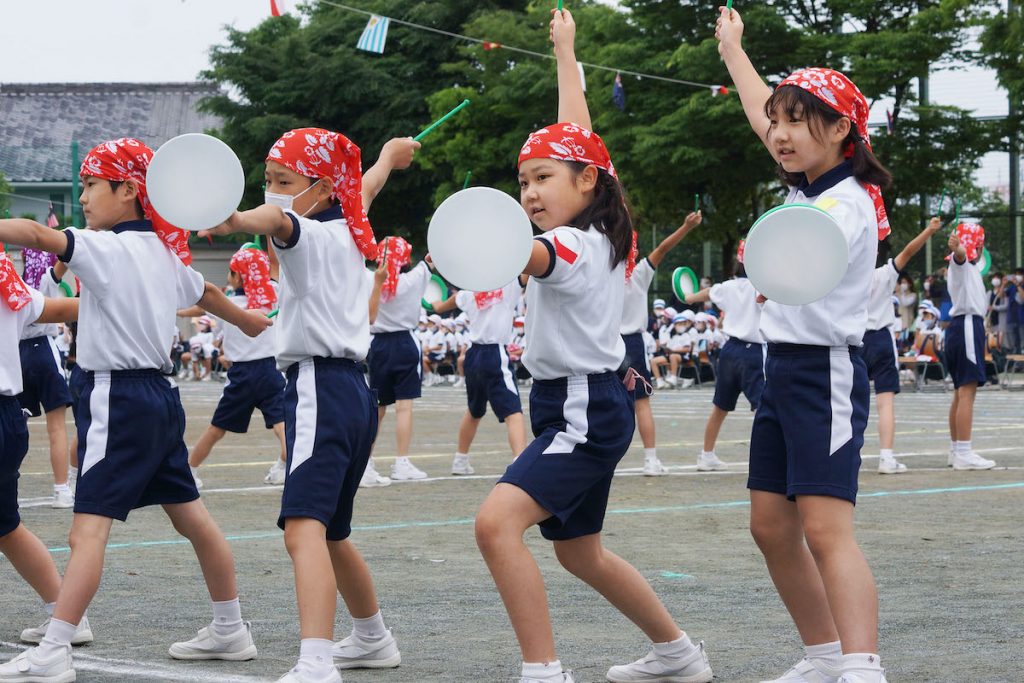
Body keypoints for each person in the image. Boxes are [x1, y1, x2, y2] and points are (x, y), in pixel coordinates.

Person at [475, 10, 714, 683]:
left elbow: (535, 252)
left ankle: (543, 670)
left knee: (496, 524)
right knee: (580, 552)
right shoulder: (603, 229)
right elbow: (578, 138)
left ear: (585, 182)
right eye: (523, 181)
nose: (529, 192)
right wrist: (566, 53)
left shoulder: (572, 243)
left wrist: (486, 239)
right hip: (573, 401)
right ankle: (679, 653)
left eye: (542, 178)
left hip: (583, 406)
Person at [0, 138, 270, 682]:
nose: (83, 197)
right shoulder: (165, 253)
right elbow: (206, 292)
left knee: (87, 531)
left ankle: (54, 649)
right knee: (193, 519)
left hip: (115, 398)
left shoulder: (106, 249)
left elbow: (34, 234)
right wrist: (247, 321)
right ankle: (229, 626)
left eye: (91, 185)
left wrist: (244, 321)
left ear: (128, 190)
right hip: (159, 399)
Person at [202, 130, 418, 683]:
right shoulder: (348, 225)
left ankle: (317, 662)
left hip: (320, 388)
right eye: (268, 180)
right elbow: (363, 187)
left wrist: (236, 219)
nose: (273, 190)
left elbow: (278, 221)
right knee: (332, 533)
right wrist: (387, 159)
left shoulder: (309, 235)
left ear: (321, 188)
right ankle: (371, 637)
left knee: (303, 530)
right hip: (352, 392)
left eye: (283, 181)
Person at [719, 8, 893, 682]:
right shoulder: (809, 191)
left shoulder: (846, 201)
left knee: (826, 529)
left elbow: (797, 268)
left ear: (841, 129)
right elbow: (756, 113)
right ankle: (823, 656)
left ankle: (862, 663)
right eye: (778, 122)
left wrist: (774, 275)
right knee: (769, 525)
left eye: (796, 121)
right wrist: (733, 50)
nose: (780, 134)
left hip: (825, 374)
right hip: (780, 371)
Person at [0, 250, 95, 655]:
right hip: (8, 416)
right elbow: (63, 307)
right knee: (7, 528)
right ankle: (65, 615)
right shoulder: (8, 283)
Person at [180, 245, 287, 489]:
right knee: (282, 424)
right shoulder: (274, 295)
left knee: (216, 429)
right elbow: (275, 266)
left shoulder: (228, 303)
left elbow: (205, 312)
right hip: (270, 370)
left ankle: (189, 471)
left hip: (241, 375)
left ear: (237, 276)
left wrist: (179, 311)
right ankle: (286, 467)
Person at [619, 211, 703, 475]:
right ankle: (650, 460)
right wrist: (686, 226)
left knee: (603, 404)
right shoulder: (639, 272)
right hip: (631, 344)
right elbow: (663, 248)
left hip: (604, 343)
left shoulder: (600, 274)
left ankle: (596, 463)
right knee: (641, 402)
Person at [863, 217, 941, 474]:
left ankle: (843, 459)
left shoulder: (842, 278)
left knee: (848, 404)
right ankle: (886, 458)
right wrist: (929, 230)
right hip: (881, 340)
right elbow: (908, 251)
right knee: (885, 402)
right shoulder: (884, 274)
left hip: (853, 342)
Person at [432, 276, 529, 474]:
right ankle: (521, 465)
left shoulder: (469, 292)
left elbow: (444, 305)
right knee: (513, 412)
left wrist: (435, 302)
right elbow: (526, 271)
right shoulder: (508, 285)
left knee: (474, 410)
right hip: (495, 353)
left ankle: (460, 460)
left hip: (473, 354)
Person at [685, 241, 764, 472]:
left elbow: (708, 292)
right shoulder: (763, 286)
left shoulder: (728, 286)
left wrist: (689, 297)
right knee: (762, 409)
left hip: (729, 351)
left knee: (720, 407)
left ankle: (706, 455)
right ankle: (764, 461)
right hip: (753, 353)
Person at [366, 235, 432, 484]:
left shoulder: (370, 280)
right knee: (404, 406)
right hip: (405, 344)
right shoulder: (415, 278)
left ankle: (366, 463)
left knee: (378, 408)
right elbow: (433, 260)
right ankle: (401, 463)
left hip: (378, 346)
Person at [17, 259, 75, 508]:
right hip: (44, 351)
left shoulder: (12, 283)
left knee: (15, 425)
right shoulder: (44, 280)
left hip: (17, 355)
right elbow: (65, 259)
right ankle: (62, 490)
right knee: (56, 427)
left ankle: (7, 486)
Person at [944, 223, 997, 471]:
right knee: (967, 391)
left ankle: (957, 450)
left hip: (962, 326)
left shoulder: (970, 269)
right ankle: (963, 452)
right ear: (978, 243)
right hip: (967, 325)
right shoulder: (962, 264)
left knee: (961, 391)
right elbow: (960, 256)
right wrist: (959, 249)